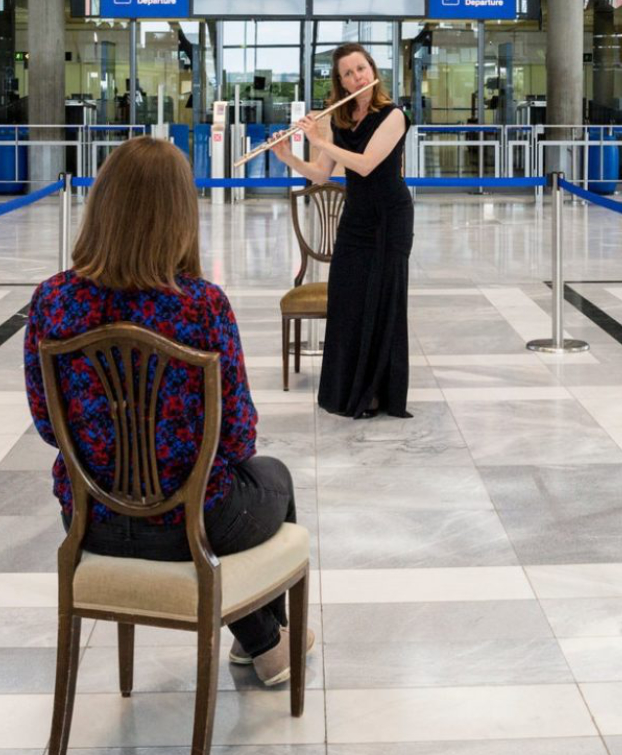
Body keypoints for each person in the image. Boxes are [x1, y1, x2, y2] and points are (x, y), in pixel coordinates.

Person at [23, 136, 312, 684]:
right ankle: (268, 644)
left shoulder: (52, 300)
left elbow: (46, 423)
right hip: (190, 522)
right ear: (180, 214)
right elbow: (238, 439)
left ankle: (266, 643)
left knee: (235, 486)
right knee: (273, 478)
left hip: (90, 519)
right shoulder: (201, 305)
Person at [270, 43, 413, 419]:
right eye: (347, 74)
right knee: (347, 300)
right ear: (341, 82)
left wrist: (318, 137)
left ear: (372, 69)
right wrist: (288, 156)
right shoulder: (340, 119)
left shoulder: (393, 115)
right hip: (357, 218)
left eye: (361, 69)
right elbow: (322, 173)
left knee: (381, 300)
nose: (356, 77)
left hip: (389, 218)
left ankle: (377, 394)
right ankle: (346, 391)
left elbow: (365, 166)